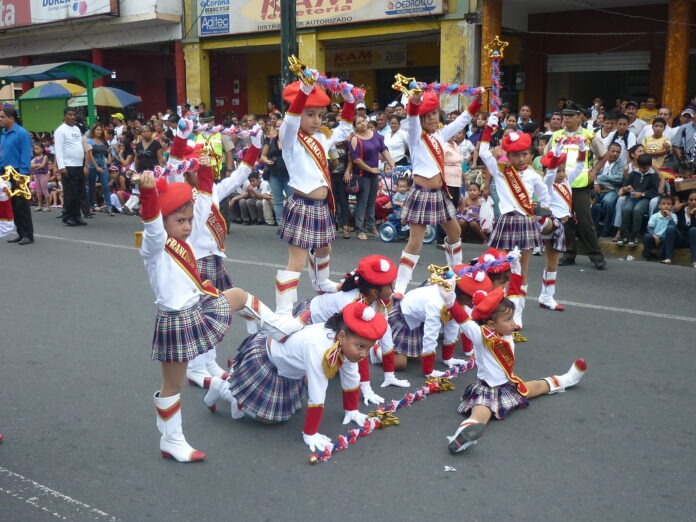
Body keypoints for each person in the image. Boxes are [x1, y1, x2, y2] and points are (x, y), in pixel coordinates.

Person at [137, 170, 303, 462]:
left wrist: (201, 175)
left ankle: (279, 330)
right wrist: (149, 194)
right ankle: (171, 440)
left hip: (198, 306)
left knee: (238, 295)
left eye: (189, 220)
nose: (188, 227)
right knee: (172, 385)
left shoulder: (184, 242)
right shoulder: (155, 247)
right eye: (180, 221)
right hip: (176, 321)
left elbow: (200, 201)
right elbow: (151, 226)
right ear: (163, 222)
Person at [203, 302, 387, 453]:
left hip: (291, 370)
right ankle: (223, 388)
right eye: (361, 347)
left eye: (369, 348)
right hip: (269, 361)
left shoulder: (343, 344)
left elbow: (351, 376)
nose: (365, 354)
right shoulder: (318, 347)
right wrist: (310, 433)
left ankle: (239, 400)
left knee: (284, 413)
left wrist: (352, 410)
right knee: (268, 420)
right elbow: (317, 391)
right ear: (341, 336)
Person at [446, 287, 587, 454]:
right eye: (508, 320)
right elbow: (465, 322)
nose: (513, 323)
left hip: (508, 385)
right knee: (481, 415)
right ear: (491, 324)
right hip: (488, 390)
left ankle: (568, 379)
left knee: (536, 386)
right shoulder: (482, 337)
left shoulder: (504, 334)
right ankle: (461, 438)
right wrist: (449, 301)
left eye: (512, 318)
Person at [274, 80, 356, 314]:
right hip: (302, 205)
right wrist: (303, 93)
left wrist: (349, 100)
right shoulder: (291, 139)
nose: (317, 120)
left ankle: (321, 281)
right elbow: (290, 121)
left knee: (325, 249)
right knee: (296, 261)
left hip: (320, 206)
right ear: (298, 113)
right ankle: (283, 310)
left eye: (320, 115)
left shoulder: (322, 137)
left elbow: (345, 129)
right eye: (310, 115)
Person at [393, 91, 482, 295]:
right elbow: (412, 120)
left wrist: (476, 103)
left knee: (455, 233)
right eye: (427, 115)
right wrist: (414, 105)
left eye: (434, 113)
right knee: (415, 242)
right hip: (421, 194)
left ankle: (456, 273)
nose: (432, 118)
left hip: (439, 194)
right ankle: (401, 285)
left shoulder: (440, 135)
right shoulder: (415, 137)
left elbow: (462, 121)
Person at [292, 255, 410, 402]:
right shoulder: (352, 304)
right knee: (314, 374)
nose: (394, 288)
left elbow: (385, 333)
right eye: (390, 285)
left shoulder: (376, 300)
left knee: (346, 359)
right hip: (309, 321)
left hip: (332, 324)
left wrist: (389, 375)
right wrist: (366, 389)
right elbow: (360, 348)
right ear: (374, 291)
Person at [479, 113, 550, 329]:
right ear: (507, 156)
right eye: (515, 155)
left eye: (524, 155)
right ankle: (492, 310)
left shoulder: (533, 175)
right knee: (497, 269)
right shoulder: (500, 172)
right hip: (506, 224)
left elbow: (545, 196)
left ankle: (516, 316)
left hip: (525, 223)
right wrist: (489, 128)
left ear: (530, 154)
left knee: (521, 271)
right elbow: (483, 152)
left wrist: (542, 214)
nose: (520, 159)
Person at [549, 100, 608, 270]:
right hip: (561, 185)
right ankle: (569, 253)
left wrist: (594, 171)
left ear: (580, 117)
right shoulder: (556, 135)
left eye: (570, 116)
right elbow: (548, 156)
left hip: (581, 184)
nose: (566, 119)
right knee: (564, 220)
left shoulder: (588, 135)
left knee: (584, 220)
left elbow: (604, 155)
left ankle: (596, 255)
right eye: (564, 116)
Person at [388, 266, 467, 376]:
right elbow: (430, 336)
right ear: (462, 296)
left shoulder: (452, 296)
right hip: (403, 320)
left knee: (416, 357)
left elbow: (452, 325)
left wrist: (448, 358)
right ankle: (377, 347)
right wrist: (428, 371)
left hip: (419, 322)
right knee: (399, 364)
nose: (474, 301)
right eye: (471, 297)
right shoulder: (436, 303)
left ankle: (395, 348)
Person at [538, 139, 586, 311]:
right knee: (553, 259)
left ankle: (547, 295)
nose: (561, 174)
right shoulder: (546, 185)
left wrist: (582, 148)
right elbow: (550, 174)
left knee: (553, 261)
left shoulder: (566, 181)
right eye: (558, 171)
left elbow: (580, 166)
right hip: (554, 224)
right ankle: (546, 296)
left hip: (566, 224)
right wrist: (557, 151)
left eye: (563, 170)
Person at [350, 114, 395, 240]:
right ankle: (359, 229)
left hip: (374, 175)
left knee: (372, 202)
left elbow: (383, 150)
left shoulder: (376, 135)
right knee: (362, 202)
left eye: (363, 120)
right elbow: (356, 159)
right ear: (355, 127)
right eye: (359, 122)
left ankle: (371, 226)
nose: (363, 123)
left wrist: (392, 163)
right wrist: (370, 169)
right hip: (362, 175)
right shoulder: (355, 139)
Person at [0, 106, 34, 244]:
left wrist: (23, 174)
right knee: (12, 204)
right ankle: (20, 232)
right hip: (4, 173)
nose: (0, 119)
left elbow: (26, 154)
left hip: (18, 172)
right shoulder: (3, 133)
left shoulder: (22, 133)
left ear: (11, 118)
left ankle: (28, 234)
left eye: (2, 117)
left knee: (21, 204)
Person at [616, 153, 660, 247]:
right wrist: (626, 188)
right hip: (632, 197)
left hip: (645, 199)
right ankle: (624, 235)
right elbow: (625, 184)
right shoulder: (634, 173)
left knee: (637, 210)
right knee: (626, 209)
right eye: (641, 167)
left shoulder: (653, 176)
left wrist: (642, 194)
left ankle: (634, 236)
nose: (642, 170)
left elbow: (655, 191)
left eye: (644, 168)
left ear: (649, 165)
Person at [54, 107, 88, 227]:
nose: (72, 117)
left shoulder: (77, 129)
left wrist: (84, 164)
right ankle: (68, 216)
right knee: (70, 193)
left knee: (79, 192)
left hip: (78, 165)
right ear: (64, 116)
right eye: (70, 115)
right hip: (69, 166)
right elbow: (58, 150)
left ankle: (77, 216)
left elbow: (79, 146)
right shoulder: (60, 130)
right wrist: (61, 167)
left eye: (74, 115)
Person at [260, 118, 290, 226]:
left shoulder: (292, 139)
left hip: (289, 174)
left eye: (281, 126)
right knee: (278, 201)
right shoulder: (271, 140)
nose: (278, 128)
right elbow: (263, 156)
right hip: (274, 174)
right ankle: (281, 225)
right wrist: (267, 160)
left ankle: (292, 224)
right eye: (277, 126)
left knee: (292, 201)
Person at [592, 142, 625, 237]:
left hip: (611, 190)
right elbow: (592, 173)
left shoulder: (622, 164)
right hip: (597, 188)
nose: (615, 153)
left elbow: (619, 178)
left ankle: (606, 229)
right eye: (613, 151)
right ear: (607, 151)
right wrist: (595, 182)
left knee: (608, 202)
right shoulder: (600, 161)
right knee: (591, 202)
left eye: (618, 152)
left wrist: (600, 178)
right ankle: (593, 228)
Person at [85, 123, 113, 215]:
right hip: (92, 166)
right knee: (91, 186)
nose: (99, 131)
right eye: (97, 130)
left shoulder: (103, 142)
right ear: (93, 131)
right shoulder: (89, 141)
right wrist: (96, 167)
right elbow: (90, 155)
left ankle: (109, 207)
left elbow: (106, 154)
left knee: (105, 186)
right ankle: (91, 206)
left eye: (100, 130)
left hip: (103, 165)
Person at [664, 190, 696, 267]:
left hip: (694, 240)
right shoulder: (682, 210)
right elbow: (677, 226)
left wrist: (692, 215)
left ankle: (695, 260)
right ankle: (668, 258)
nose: (694, 202)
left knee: (693, 230)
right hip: (682, 239)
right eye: (691, 200)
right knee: (671, 228)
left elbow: (693, 228)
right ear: (687, 201)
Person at [642, 195, 677, 261]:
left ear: (672, 207)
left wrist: (669, 216)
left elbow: (674, 227)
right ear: (659, 206)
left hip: (665, 238)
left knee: (665, 240)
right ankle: (647, 255)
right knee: (647, 237)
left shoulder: (673, 216)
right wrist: (655, 236)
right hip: (655, 237)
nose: (666, 206)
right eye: (664, 204)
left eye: (669, 204)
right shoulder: (655, 216)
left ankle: (660, 256)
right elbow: (649, 228)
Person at [30, 142, 50, 212]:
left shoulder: (45, 157)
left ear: (42, 149)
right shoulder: (35, 158)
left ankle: (48, 206)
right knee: (38, 191)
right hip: (36, 175)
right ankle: (39, 206)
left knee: (45, 191)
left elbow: (42, 166)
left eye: (37, 149)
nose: (35, 150)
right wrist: (37, 165)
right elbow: (30, 166)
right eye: (34, 149)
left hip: (43, 175)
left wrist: (35, 166)